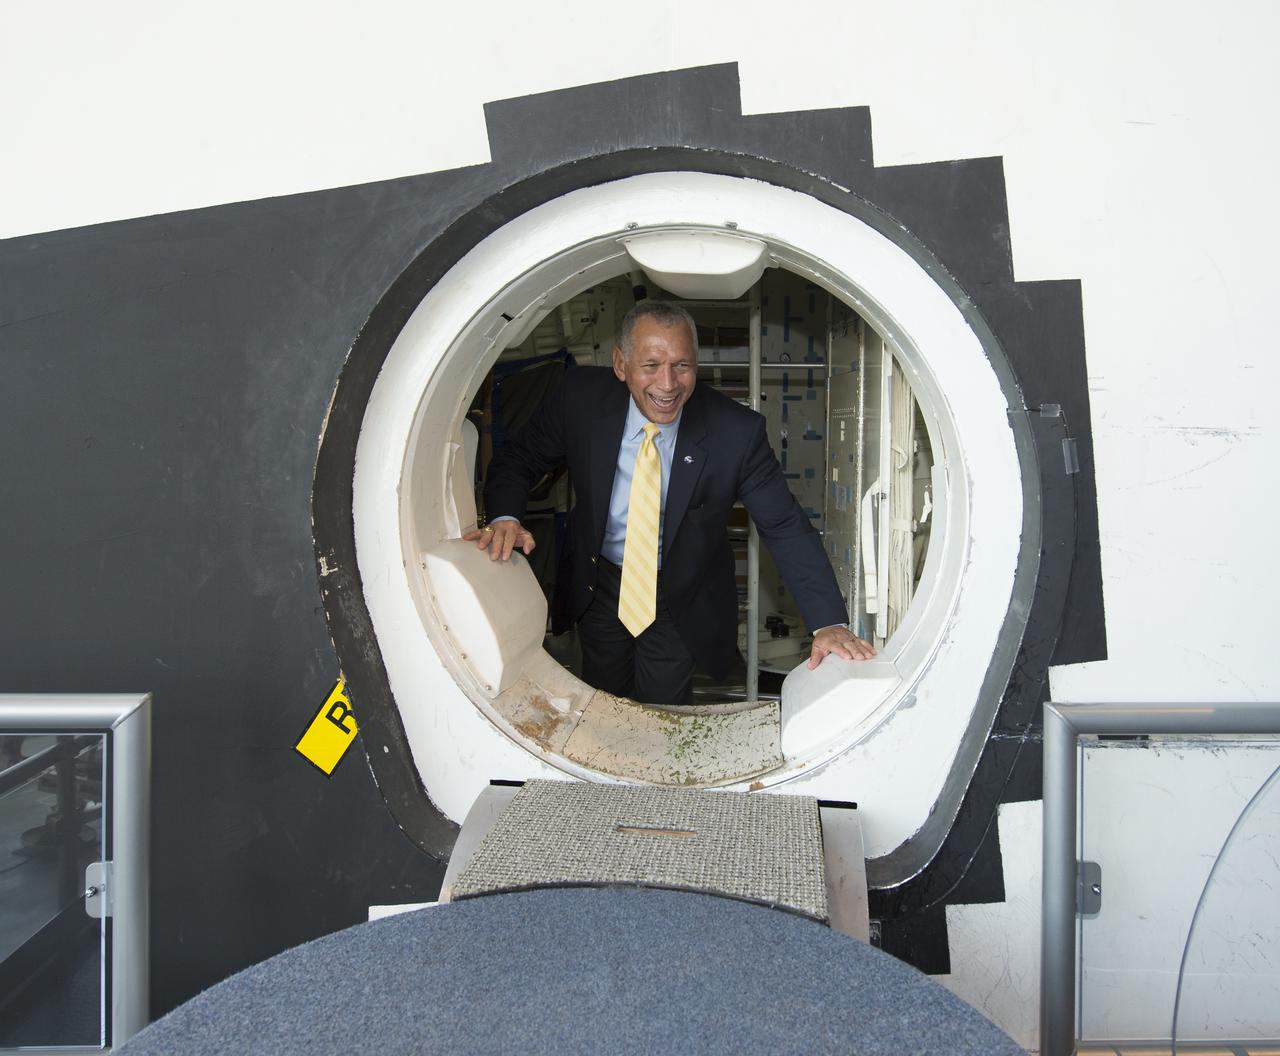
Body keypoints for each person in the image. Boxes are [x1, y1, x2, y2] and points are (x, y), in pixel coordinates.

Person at [466, 300, 874, 706]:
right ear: (621, 364)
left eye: (682, 365)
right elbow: (520, 458)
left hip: (681, 591)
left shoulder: (736, 433)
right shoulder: (579, 398)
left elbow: (784, 525)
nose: (668, 384)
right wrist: (504, 516)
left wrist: (829, 622)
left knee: (663, 708)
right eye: (651, 365)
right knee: (601, 703)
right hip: (600, 582)